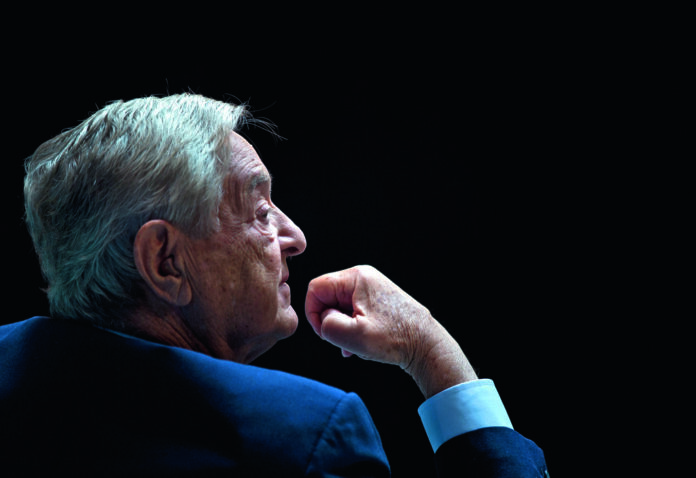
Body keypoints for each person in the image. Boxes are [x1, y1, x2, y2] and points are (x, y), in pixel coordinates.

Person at [1, 94, 548, 477]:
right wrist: (430, 350)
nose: (295, 237)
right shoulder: (307, 440)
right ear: (165, 262)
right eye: (261, 212)